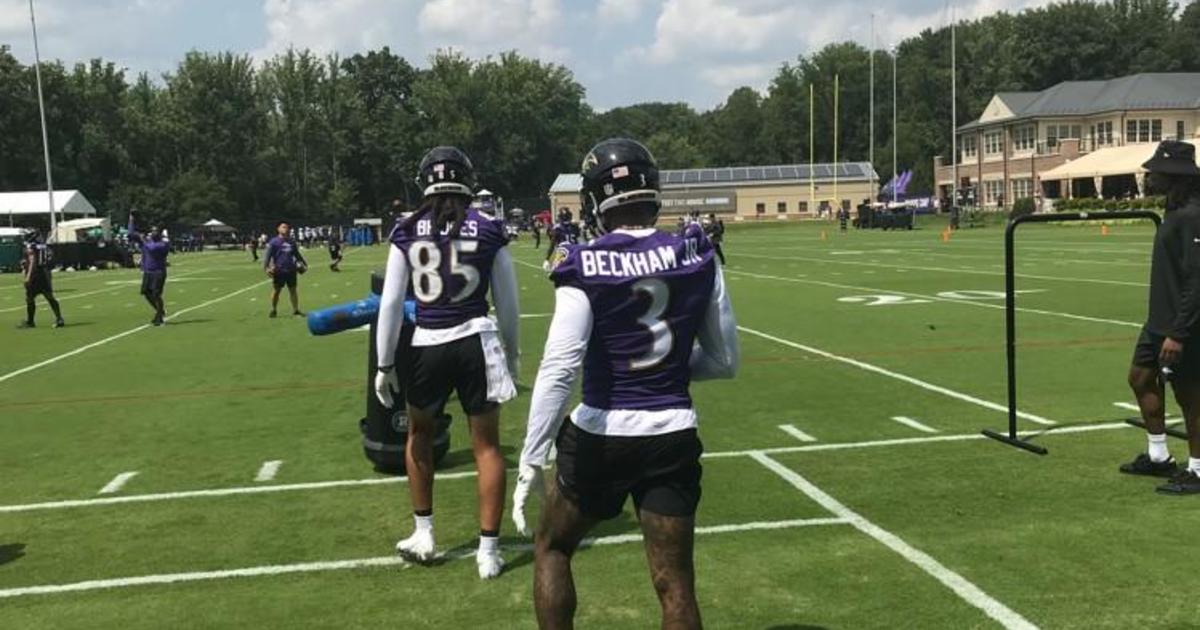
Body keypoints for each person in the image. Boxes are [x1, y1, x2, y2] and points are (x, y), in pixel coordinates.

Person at [512, 138, 739, 629]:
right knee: (675, 582)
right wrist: (667, 371)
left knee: (552, 547)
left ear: (594, 200)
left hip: (603, 434)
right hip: (672, 431)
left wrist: (533, 454)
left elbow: (561, 364)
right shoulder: (697, 254)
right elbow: (724, 361)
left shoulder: (585, 261)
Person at [374, 146, 521, 580]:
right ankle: (488, 550)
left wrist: (384, 365)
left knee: (419, 435)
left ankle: (424, 532)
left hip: (428, 344)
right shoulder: (490, 227)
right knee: (488, 446)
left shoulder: (405, 229)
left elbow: (391, 303)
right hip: (476, 340)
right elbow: (508, 303)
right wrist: (512, 354)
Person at [1123, 140, 1200, 495]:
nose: (1149, 175)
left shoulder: (1192, 214)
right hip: (1159, 320)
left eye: (1155, 171)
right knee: (1140, 378)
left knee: (1190, 395)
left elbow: (1197, 279)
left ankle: (1198, 469)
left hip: (1182, 325)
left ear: (1174, 176)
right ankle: (1158, 458)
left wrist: (1179, 333)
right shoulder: (1175, 207)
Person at [127, 212, 170, 326]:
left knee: (156, 294)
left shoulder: (163, 244)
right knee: (146, 292)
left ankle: (159, 316)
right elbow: (131, 234)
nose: (153, 233)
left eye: (156, 231)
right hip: (148, 271)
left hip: (158, 272)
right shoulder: (147, 240)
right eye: (152, 230)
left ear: (160, 233)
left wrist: (143, 239)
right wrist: (131, 220)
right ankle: (159, 310)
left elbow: (152, 249)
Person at [18, 230, 64, 329]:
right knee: (49, 297)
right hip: (44, 273)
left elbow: (32, 261)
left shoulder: (31, 247)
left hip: (35, 275)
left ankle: (30, 321)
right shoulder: (44, 246)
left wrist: (28, 277)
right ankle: (59, 318)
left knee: (30, 298)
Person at [264, 222, 307, 318]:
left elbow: (297, 254)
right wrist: (266, 268)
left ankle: (295, 310)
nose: (286, 229)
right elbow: (268, 256)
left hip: (291, 269)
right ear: (278, 229)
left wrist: (304, 264)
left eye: (287, 227)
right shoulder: (274, 242)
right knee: (276, 291)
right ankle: (273, 309)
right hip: (279, 270)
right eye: (283, 227)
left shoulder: (291, 242)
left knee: (293, 290)